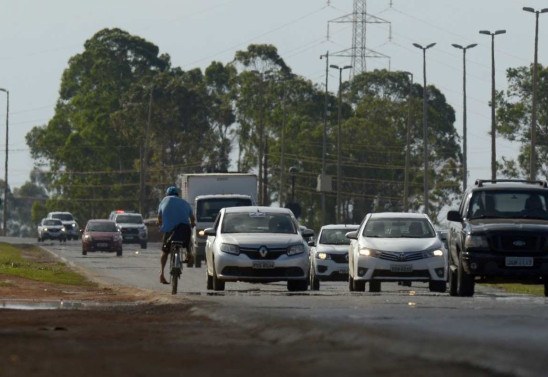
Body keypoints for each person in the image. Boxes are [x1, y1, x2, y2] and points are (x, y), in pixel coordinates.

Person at [157, 186, 195, 284]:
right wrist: (193, 223)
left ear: (167, 194)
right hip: (184, 231)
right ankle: (189, 253)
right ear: (177, 194)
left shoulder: (164, 201)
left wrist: (160, 223)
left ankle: (161, 274)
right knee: (188, 237)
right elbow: (192, 218)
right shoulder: (184, 203)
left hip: (169, 232)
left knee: (165, 252)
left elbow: (159, 218)